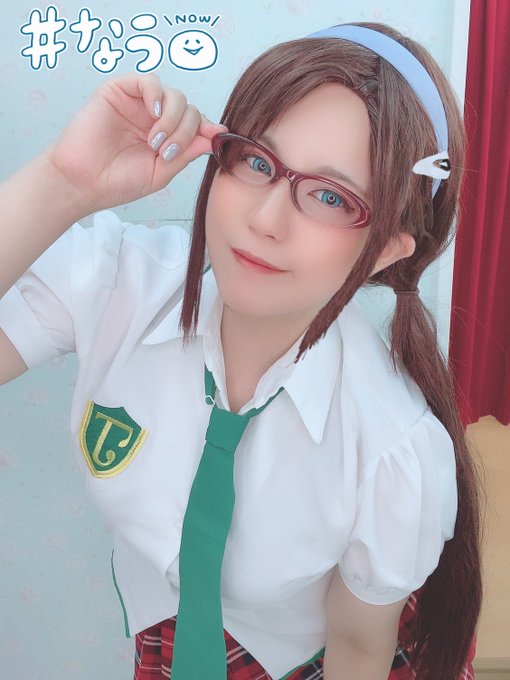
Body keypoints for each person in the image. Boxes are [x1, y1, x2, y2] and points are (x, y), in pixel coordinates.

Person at [0, 21, 482, 680]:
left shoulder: (392, 448)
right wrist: (65, 182)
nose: (264, 220)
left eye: (330, 197)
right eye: (257, 162)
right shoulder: (116, 281)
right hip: (170, 636)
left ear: (387, 252)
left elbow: (358, 648)